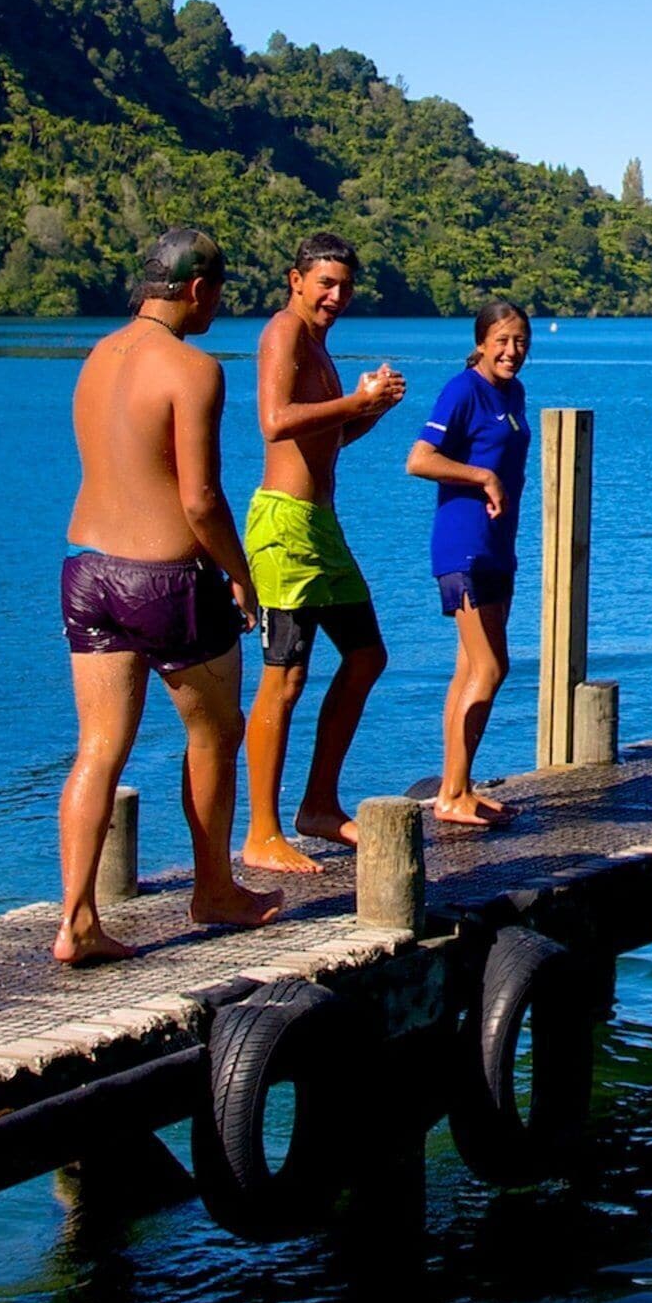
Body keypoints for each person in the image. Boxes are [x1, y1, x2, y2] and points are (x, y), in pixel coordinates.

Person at [54, 225, 281, 961]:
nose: (217, 305)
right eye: (217, 292)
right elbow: (202, 499)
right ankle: (213, 886)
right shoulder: (194, 369)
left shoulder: (97, 357)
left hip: (89, 571)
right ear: (196, 289)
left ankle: (77, 921)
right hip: (167, 579)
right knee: (215, 731)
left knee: (98, 748)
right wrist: (242, 578)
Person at [240, 231, 407, 873]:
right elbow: (276, 420)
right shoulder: (283, 332)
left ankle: (317, 805)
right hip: (283, 526)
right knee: (284, 678)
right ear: (296, 280)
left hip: (321, 528)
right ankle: (260, 832)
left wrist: (372, 411)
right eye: (325, 283)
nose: (336, 296)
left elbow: (327, 437)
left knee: (366, 656)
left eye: (344, 285)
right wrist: (356, 400)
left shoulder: (319, 347)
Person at [405, 300, 533, 828]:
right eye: (501, 340)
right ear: (481, 342)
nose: (511, 351)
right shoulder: (462, 391)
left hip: (499, 544)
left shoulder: (514, 392)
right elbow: (419, 459)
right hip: (464, 545)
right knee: (490, 667)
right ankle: (452, 793)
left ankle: (460, 787)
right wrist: (482, 477)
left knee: (468, 670)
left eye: (521, 341)